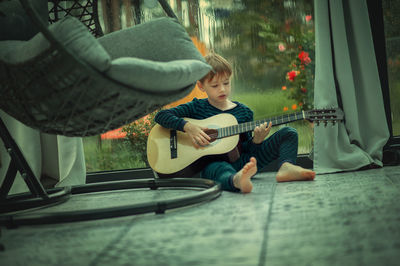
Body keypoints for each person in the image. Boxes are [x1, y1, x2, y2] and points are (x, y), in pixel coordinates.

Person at [154, 52, 315, 193]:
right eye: (215, 85)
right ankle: (236, 180)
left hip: (243, 162)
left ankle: (286, 167)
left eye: (226, 83)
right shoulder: (197, 107)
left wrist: (257, 141)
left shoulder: (244, 112)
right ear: (201, 86)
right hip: (213, 164)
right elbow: (161, 115)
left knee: (289, 133)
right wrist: (188, 127)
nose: (222, 89)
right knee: (218, 169)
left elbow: (246, 148)